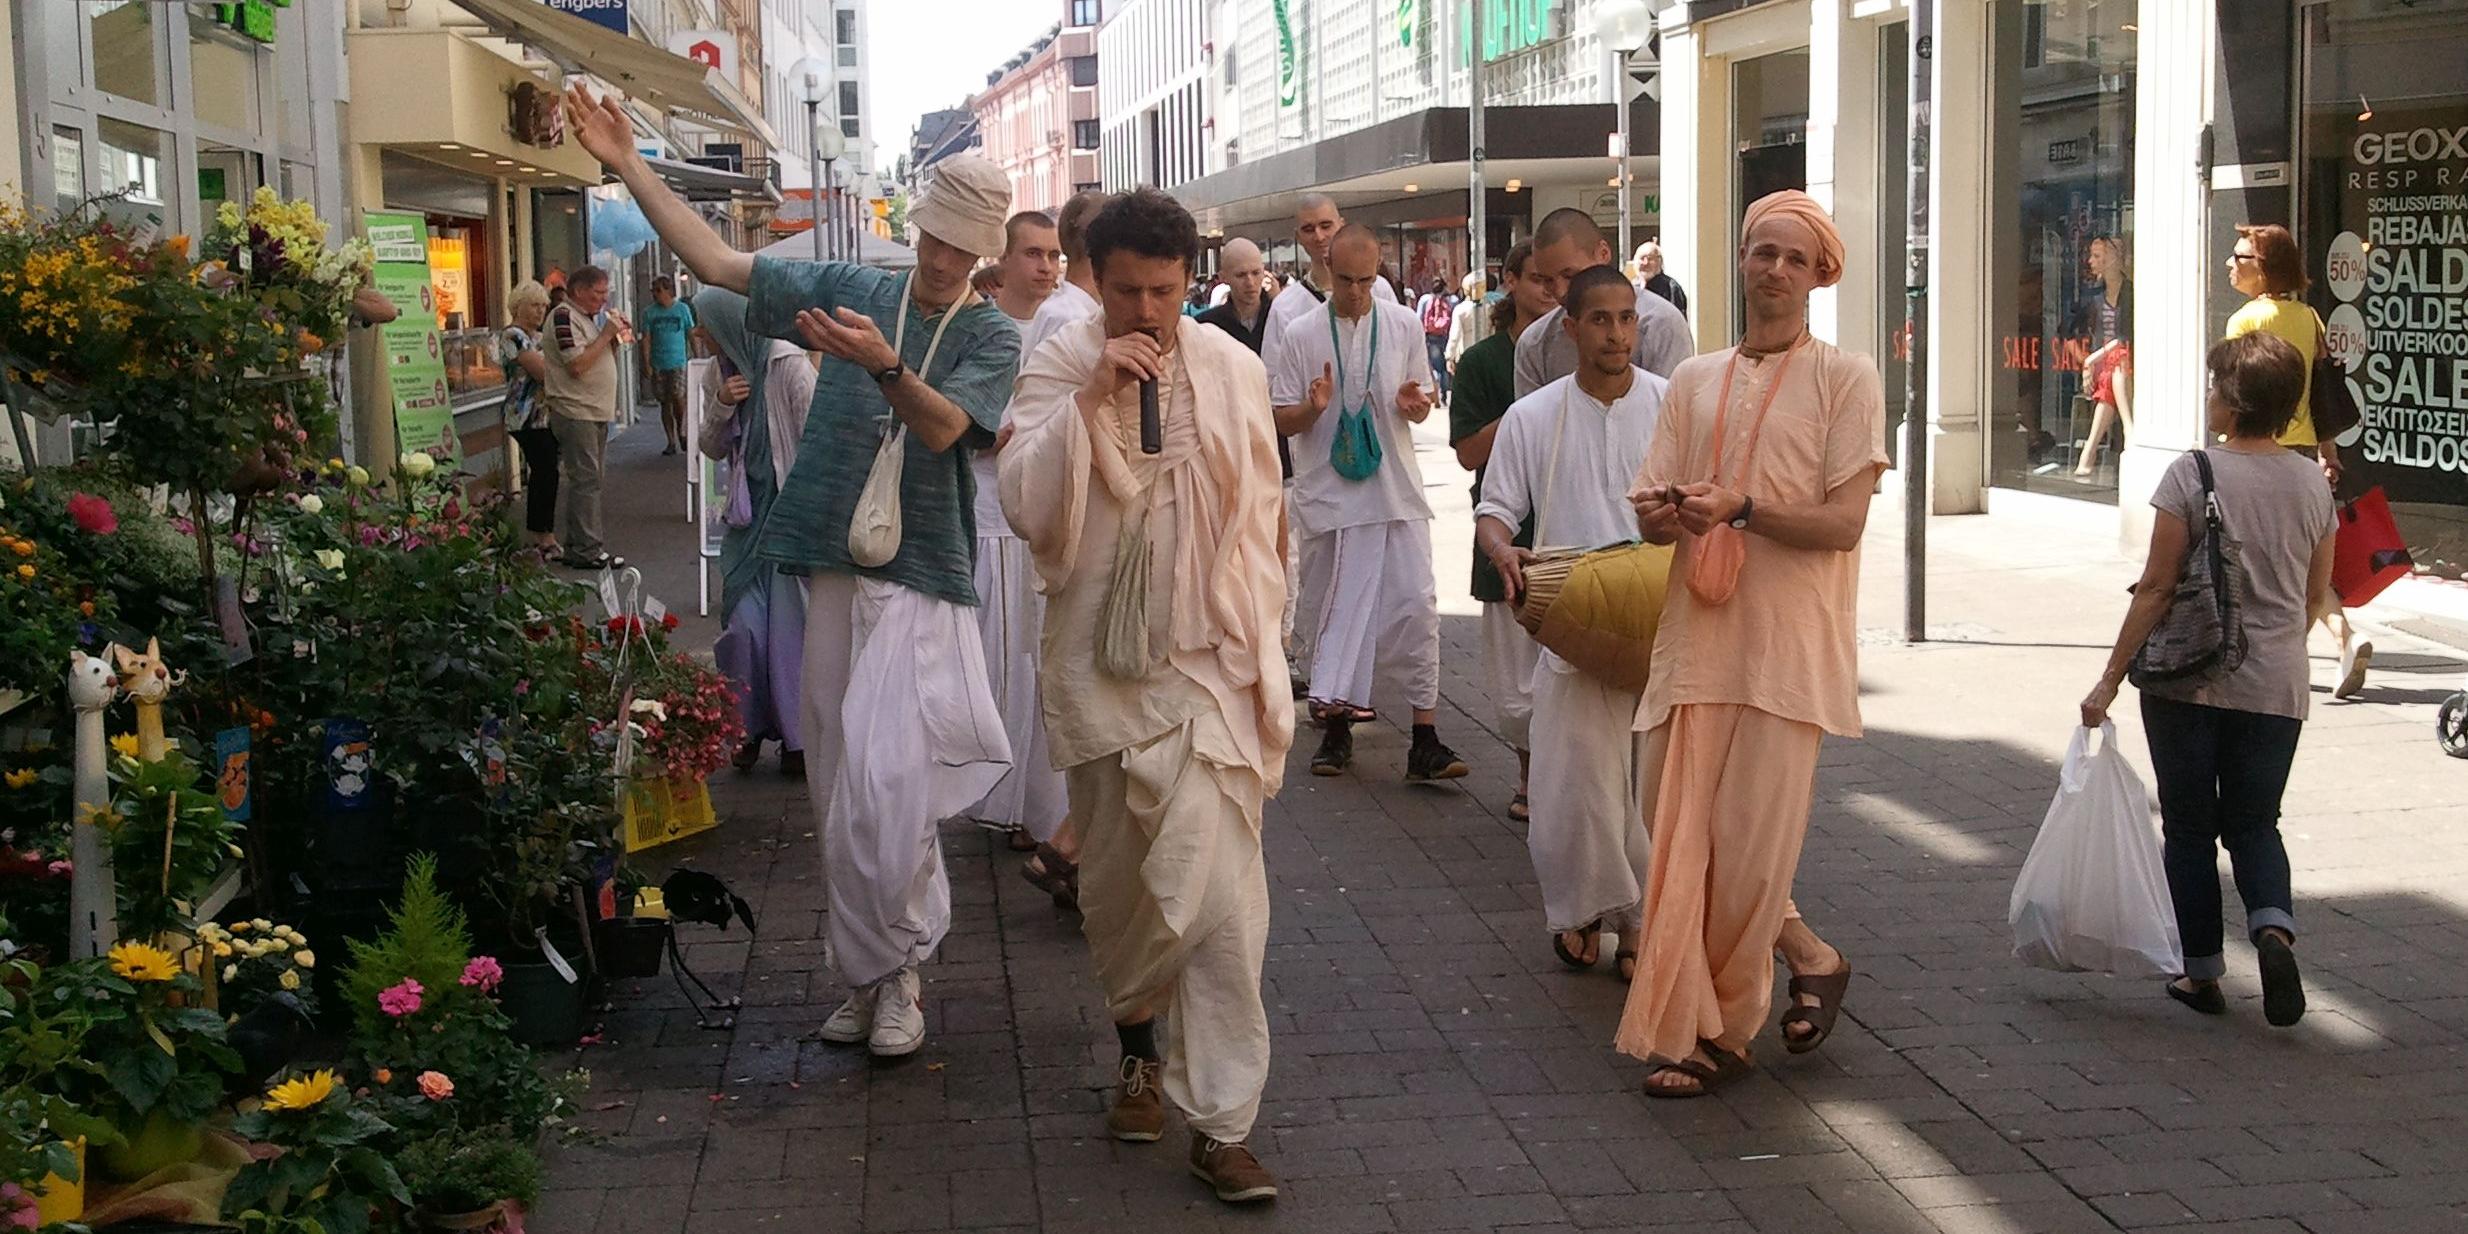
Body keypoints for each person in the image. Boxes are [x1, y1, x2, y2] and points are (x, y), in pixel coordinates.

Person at [565, 85, 1023, 1058]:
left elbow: (948, 430)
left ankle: (900, 969)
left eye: (959, 248)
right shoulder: (857, 286)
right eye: (933, 238)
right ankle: (865, 973)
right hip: (827, 560)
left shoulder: (991, 334)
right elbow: (721, 262)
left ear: (982, 251)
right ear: (918, 226)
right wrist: (629, 163)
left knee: (888, 778)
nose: (941, 260)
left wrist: (886, 367)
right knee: (835, 786)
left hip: (921, 575)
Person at [999, 186, 1292, 1208]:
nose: (1147, 313)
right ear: (1094, 278)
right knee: (1123, 894)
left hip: (1208, 670)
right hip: (1096, 670)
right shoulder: (1058, 357)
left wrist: (1265, 654)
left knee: (1220, 902)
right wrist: (1088, 400)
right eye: (1125, 292)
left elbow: (1264, 521)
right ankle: (1136, 1054)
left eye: (1165, 293)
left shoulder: (1233, 369)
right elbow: (1020, 502)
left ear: (1188, 283)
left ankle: (1221, 1121)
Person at [1614, 190, 1883, 1097]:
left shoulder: (1847, 378)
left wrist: (1746, 509)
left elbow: (1844, 524)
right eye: (1759, 252)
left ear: (1818, 278)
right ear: (1739, 261)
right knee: (1671, 831)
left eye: (1791, 259)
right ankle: (1812, 956)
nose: (1772, 269)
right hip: (1695, 641)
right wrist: (1661, 514)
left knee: (1747, 850)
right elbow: (1655, 521)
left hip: (1787, 651)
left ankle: (1717, 1032)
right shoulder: (1696, 379)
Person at [2081, 331, 2332, 1029]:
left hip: (2187, 684)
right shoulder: (2313, 480)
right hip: (2277, 685)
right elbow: (2316, 595)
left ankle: (2201, 976)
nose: (2210, 397)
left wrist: (2108, 680)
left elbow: (2158, 587)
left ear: (2236, 400)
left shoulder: (2191, 475)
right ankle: (2274, 931)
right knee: (2256, 823)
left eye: (2217, 387)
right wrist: (2278, 648)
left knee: (2190, 829)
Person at [1474, 266, 1667, 979]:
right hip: (1574, 620)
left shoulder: (1672, 406)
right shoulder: (1534, 415)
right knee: (1575, 787)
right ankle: (1586, 911)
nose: (1617, 334)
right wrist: (1505, 552)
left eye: (1627, 319)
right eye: (1602, 320)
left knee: (1649, 787)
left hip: (1655, 619)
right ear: (1572, 327)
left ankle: (1641, 921)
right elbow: (1494, 511)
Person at [1270, 223, 1469, 782]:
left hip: (1396, 495)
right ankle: (1335, 729)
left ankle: (1425, 737)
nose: (1357, 293)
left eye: (1367, 280)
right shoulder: (1302, 331)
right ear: (1327, 269)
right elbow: (1279, 417)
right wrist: (1312, 408)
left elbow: (1420, 401)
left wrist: (1415, 407)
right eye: (1346, 280)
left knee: (1416, 609)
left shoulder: (1403, 324)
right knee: (1331, 614)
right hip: (1330, 498)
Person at [1013, 190, 1110, 908]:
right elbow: (1038, 431)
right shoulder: (1066, 319)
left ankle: (1069, 842)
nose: (1044, 269)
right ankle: (1062, 838)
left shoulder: (1078, 312)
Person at [2225, 223, 2370, 698]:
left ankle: (2279, 652)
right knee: (2303, 556)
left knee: (2260, 561)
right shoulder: (2310, 319)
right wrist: (2329, 454)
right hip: (2305, 453)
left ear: (2265, 270)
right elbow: (2321, 396)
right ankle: (2342, 637)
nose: (2231, 264)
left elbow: (2234, 399)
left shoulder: (2246, 322)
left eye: (2241, 258)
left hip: (2258, 453)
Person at [970, 210, 1070, 855]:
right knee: (994, 660)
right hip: (984, 513)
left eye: (1054, 254)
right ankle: (995, 797)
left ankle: (1041, 807)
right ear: (1002, 260)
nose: (1046, 266)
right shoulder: (976, 328)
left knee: (1045, 665)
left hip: (1048, 518)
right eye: (1032, 253)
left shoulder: (1071, 328)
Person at [694, 287, 816, 779]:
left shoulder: (786, 363)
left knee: (788, 635)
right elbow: (710, 448)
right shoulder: (716, 372)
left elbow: (814, 436)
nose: (698, 334)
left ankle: (796, 738)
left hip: (786, 519)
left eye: (704, 324)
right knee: (743, 629)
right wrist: (722, 406)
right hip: (745, 523)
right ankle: (744, 728)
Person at [1447, 241, 1547, 821]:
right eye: (1537, 278)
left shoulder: (1578, 350)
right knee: (1516, 678)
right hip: (1506, 529)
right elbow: (1465, 453)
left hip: (1572, 531)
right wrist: (1526, 413)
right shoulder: (1485, 361)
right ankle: (1530, 776)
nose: (1549, 291)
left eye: (1559, 280)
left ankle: (1565, 779)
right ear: (1511, 281)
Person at [1514, 209, 1693, 397]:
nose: (1560, 291)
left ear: (1604, 253)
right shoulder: (1534, 343)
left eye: (1570, 275)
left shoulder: (1661, 325)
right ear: (1571, 329)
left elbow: (1671, 414)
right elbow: (1531, 420)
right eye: (1547, 280)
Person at [540, 265, 631, 570]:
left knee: (591, 479)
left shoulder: (587, 320)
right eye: (598, 293)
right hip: (575, 409)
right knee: (586, 479)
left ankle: (581, 544)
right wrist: (606, 335)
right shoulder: (563, 317)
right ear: (579, 291)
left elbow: (597, 359)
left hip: (593, 410)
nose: (603, 300)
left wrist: (614, 340)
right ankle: (586, 549)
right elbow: (576, 366)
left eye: (606, 293)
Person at [1262, 194, 1400, 369]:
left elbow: (1398, 349)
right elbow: (1275, 378)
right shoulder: (1285, 307)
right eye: (1308, 229)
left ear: (1341, 225)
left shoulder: (1379, 288)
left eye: (1326, 226)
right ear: (1298, 236)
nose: (1319, 236)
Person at [498, 280, 559, 558]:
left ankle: (543, 532)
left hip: (543, 414)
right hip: (524, 414)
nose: (540, 312)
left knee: (546, 472)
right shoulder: (514, 336)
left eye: (544, 306)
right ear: (518, 306)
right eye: (534, 306)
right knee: (545, 471)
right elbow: (542, 371)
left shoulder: (537, 337)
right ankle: (542, 535)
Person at [2073, 236, 2134, 477]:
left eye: (2097, 256)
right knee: (2114, 366)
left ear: (2112, 260)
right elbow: (2068, 330)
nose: (2091, 261)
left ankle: (2090, 450)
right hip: (2107, 365)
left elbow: (2124, 335)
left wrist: (2090, 360)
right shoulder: (2094, 296)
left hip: (2128, 361)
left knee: (2117, 361)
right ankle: (2129, 434)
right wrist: (2084, 361)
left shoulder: (2130, 292)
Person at [640, 276, 698, 455]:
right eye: (653, 291)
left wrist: (697, 356)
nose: (655, 294)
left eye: (658, 290)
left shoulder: (682, 309)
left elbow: (690, 332)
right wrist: (647, 362)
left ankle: (683, 433)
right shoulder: (650, 313)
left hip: (678, 361)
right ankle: (670, 440)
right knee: (664, 402)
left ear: (668, 290)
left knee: (678, 399)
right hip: (659, 362)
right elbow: (646, 339)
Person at [1417, 277, 1458, 403]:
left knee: (1435, 366)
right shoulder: (1452, 300)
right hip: (1446, 335)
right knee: (1445, 367)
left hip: (1431, 337)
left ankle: (1437, 393)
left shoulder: (1425, 300)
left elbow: (1418, 318)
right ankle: (1444, 395)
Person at [1444, 269, 1489, 378]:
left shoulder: (1460, 310)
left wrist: (1450, 357)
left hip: (1467, 355)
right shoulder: (1489, 307)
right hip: (1487, 355)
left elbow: (1455, 336)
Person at [1635, 240, 1689, 318]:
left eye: (1649, 258)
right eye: (1641, 258)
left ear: (1659, 262)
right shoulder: (1632, 288)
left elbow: (1676, 321)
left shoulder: (1671, 288)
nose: (1645, 263)